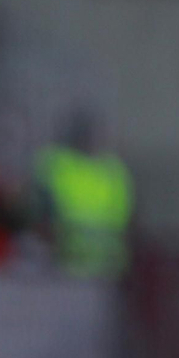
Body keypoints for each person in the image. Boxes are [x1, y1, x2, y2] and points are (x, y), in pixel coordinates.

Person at [33, 111, 133, 280]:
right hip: (66, 266)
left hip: (106, 268)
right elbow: (40, 217)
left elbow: (129, 222)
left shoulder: (114, 171)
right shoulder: (57, 165)